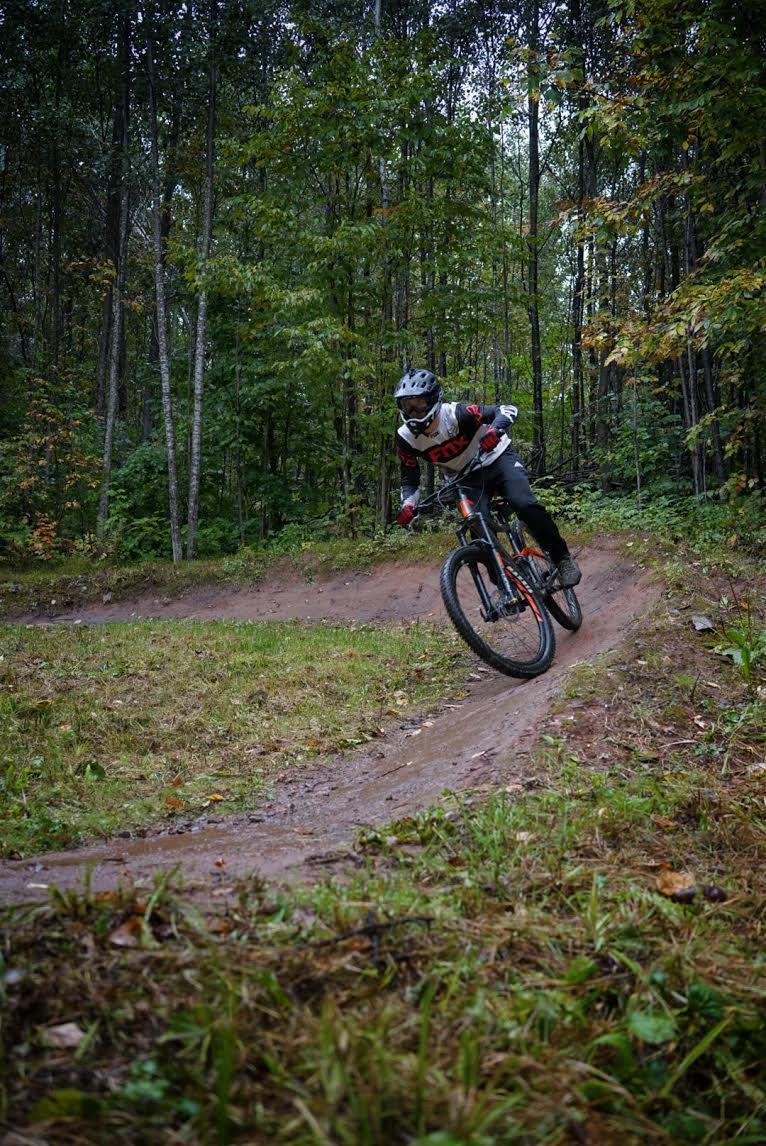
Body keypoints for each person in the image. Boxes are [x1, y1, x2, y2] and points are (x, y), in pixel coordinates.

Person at [393, 367, 581, 588]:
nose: (413, 412)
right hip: (464, 479)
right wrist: (408, 505)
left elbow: (505, 409)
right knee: (480, 532)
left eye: (419, 404)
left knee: (524, 503)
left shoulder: (456, 414)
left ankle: (561, 558)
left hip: (497, 459)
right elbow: (409, 478)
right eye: (407, 406)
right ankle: (505, 584)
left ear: (433, 400)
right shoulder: (406, 438)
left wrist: (495, 431)